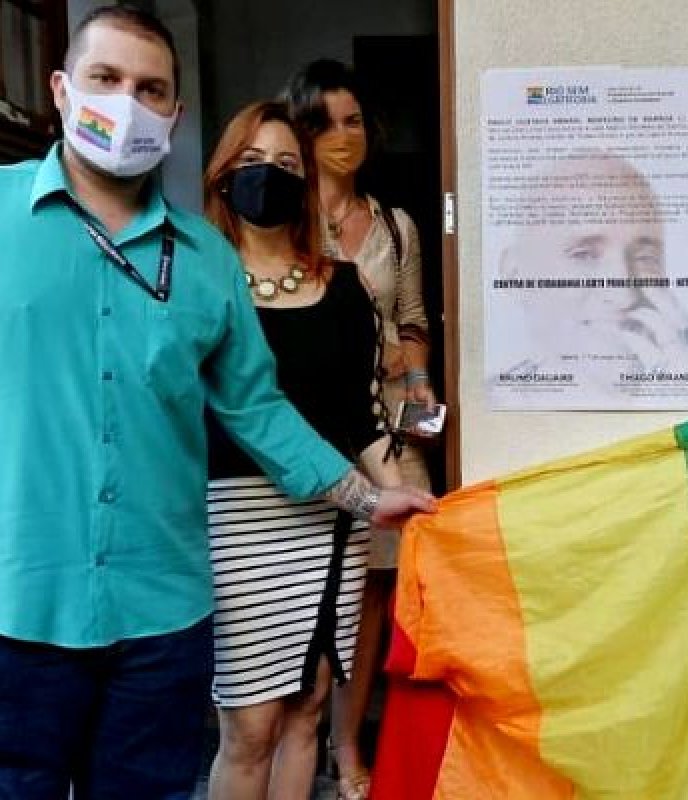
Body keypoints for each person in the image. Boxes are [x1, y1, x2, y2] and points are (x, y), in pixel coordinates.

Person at [0, 7, 433, 799]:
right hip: (20, 603)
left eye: (150, 88)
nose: (127, 101)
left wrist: (370, 499)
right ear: (62, 89)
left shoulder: (204, 262)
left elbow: (256, 409)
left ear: (174, 113)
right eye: (106, 79)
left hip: (163, 613)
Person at [202, 100, 404, 800]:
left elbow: (365, 414)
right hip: (233, 521)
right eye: (252, 163)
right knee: (249, 726)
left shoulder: (343, 286)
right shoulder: (199, 281)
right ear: (224, 175)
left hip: (334, 519)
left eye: (287, 164)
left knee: (307, 711)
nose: (270, 176)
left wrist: (400, 493)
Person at [282, 58, 435, 800]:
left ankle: (347, 745)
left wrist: (419, 388)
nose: (343, 137)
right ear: (298, 131)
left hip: (384, 432)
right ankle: (292, 733)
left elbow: (410, 322)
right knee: (305, 583)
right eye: (325, 123)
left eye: (353, 121)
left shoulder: (397, 227)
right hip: (303, 427)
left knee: (374, 591)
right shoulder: (278, 214)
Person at [487, 153, 688, 409]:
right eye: (583, 255)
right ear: (515, 276)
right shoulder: (481, 408)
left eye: (644, 258)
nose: (624, 295)